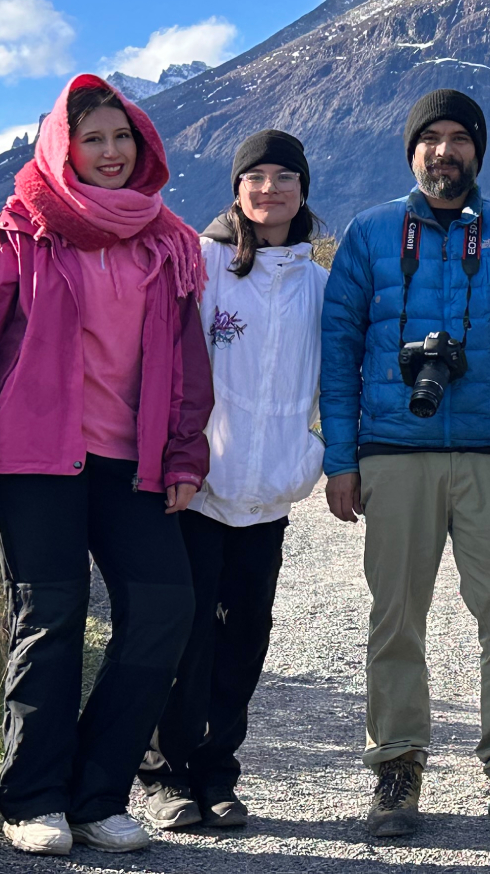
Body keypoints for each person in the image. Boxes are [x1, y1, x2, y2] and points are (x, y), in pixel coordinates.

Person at [0, 75, 213, 857]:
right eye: (94, 139)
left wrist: (184, 452)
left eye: (122, 137)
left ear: (143, 146)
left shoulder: (166, 240)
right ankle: (33, 798)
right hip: (33, 457)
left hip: (131, 460)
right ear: (65, 147)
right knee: (49, 618)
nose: (111, 151)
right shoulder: (23, 228)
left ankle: (97, 794)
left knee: (165, 608)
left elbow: (187, 363)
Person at [318, 88, 490, 838]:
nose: (444, 150)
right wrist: (341, 459)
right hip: (393, 455)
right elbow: (338, 353)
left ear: (478, 150)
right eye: (430, 137)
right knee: (395, 619)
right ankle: (397, 766)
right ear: (412, 151)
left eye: (459, 138)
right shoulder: (370, 233)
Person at [139, 130, 330, 832]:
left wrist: (313, 456)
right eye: (256, 177)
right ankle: (164, 776)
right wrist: (172, 458)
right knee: (184, 636)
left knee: (245, 639)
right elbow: (168, 365)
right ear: (237, 189)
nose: (269, 189)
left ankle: (218, 774)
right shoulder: (203, 263)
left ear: (303, 192)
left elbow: (336, 384)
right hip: (196, 490)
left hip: (267, 495)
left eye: (285, 177)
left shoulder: (320, 285)